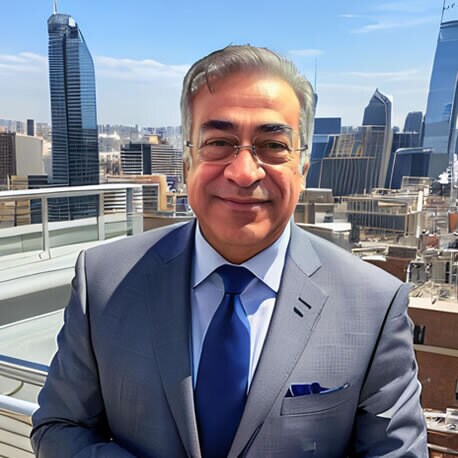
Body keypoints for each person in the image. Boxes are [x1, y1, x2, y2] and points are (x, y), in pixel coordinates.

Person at [31, 45, 427, 457]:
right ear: (186, 164)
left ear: (303, 170)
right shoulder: (104, 281)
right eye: (219, 142)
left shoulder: (373, 305)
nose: (243, 172)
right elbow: (59, 427)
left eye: (273, 145)